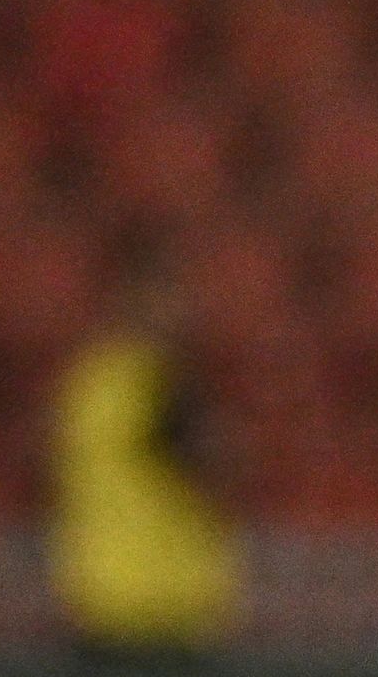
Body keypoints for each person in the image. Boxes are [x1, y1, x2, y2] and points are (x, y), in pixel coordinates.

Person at [52, 276, 239, 656]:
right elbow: (206, 461)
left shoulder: (89, 382)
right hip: (164, 596)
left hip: (106, 591)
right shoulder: (158, 383)